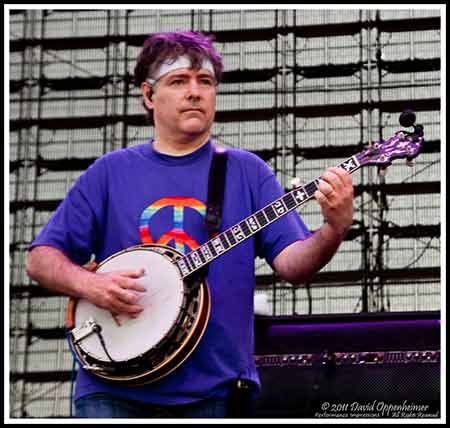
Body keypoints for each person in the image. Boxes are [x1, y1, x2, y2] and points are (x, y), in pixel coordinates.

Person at [26, 31, 354, 418]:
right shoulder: (110, 173)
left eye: (206, 82)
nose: (195, 92)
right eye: (179, 81)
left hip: (215, 390)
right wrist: (92, 285)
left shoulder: (247, 172)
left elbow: (293, 265)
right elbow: (41, 259)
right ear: (149, 96)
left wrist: (333, 229)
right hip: (112, 388)